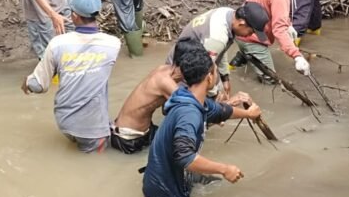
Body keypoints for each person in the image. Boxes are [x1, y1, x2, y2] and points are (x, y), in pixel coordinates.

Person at [143, 46, 255, 197]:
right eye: (215, 70)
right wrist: (224, 169)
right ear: (209, 77)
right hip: (166, 192)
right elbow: (184, 156)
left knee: (215, 183)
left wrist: (249, 114)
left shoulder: (188, 97)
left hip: (165, 175)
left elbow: (220, 111)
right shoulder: (189, 113)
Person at [110, 38, 261, 155]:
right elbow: (201, 108)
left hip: (141, 130)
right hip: (129, 138)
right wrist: (233, 104)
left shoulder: (165, 69)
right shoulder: (165, 82)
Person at [21, 0, 121, 153]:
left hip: (65, 121)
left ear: (74, 16)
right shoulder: (113, 44)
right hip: (93, 127)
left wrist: (26, 82)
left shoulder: (57, 44)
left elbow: (38, 85)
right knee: (94, 162)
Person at [234, 0, 317, 83]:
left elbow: (275, 12)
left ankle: (239, 60)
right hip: (251, 38)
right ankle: (248, 55)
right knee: (271, 80)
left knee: (251, 49)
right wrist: (296, 56)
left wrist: (288, 24)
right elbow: (279, 30)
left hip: (242, 33)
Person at [165, 2, 269, 98]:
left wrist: (225, 78)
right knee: (205, 103)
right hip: (181, 73)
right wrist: (215, 95)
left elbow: (221, 50)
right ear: (241, 23)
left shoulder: (227, 13)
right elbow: (203, 72)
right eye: (251, 32)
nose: (250, 35)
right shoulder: (217, 36)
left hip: (188, 59)